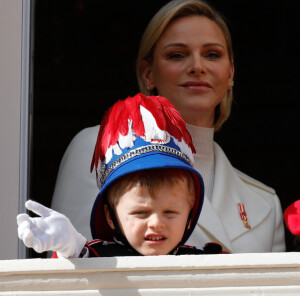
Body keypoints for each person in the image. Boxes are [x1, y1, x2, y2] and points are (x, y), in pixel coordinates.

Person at [51, 0, 285, 253]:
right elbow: (73, 276)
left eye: (212, 54)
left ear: (230, 73)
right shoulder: (101, 147)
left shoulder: (265, 203)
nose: (197, 67)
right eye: (177, 55)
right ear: (148, 73)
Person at [17, 94, 225, 257]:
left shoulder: (208, 261)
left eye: (170, 212)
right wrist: (69, 248)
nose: (156, 223)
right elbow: (82, 262)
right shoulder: (99, 257)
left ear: (189, 217)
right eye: (141, 213)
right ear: (110, 216)